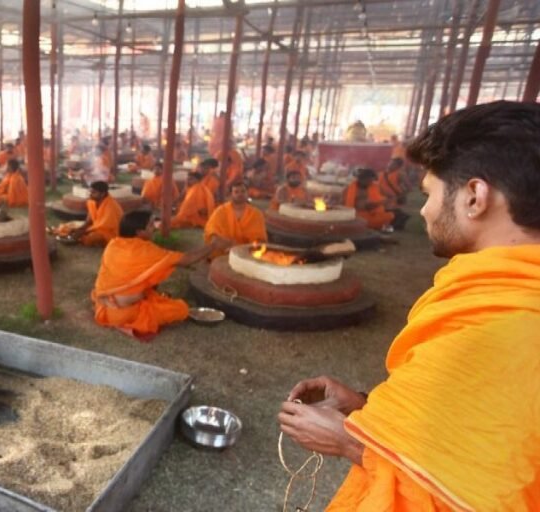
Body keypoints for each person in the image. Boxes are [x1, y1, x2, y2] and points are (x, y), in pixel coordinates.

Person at [278, 100, 540, 510]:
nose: (424, 210)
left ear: (475, 197)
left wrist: (350, 441)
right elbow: (474, 432)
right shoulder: (501, 298)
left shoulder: (498, 329)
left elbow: (484, 495)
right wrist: (364, 405)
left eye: (429, 193)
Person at [92, 210, 214, 339]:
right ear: (139, 232)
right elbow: (187, 259)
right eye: (150, 225)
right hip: (125, 313)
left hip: (104, 306)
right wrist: (213, 245)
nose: (154, 228)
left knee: (154, 292)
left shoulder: (113, 244)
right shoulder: (145, 250)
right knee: (181, 309)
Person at [204, 180, 268, 259]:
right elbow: (212, 230)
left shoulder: (256, 214)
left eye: (243, 191)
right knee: (216, 240)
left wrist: (240, 247)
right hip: (223, 249)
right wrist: (227, 243)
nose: (240, 194)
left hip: (246, 251)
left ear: (247, 193)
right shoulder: (221, 210)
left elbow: (260, 238)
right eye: (236, 192)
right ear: (231, 195)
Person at [70, 181, 123, 247]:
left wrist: (84, 231)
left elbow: (104, 227)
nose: (90, 194)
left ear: (102, 194)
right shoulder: (92, 201)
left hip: (111, 232)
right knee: (71, 228)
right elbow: (89, 220)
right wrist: (81, 228)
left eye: (93, 192)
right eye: (90, 192)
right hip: (97, 227)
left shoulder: (111, 206)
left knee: (91, 238)